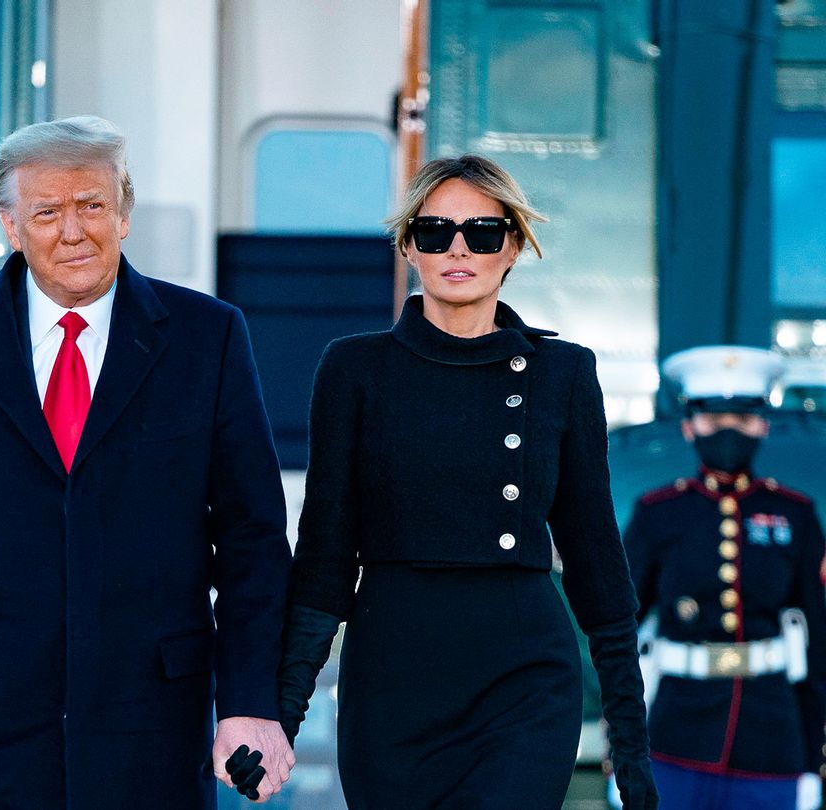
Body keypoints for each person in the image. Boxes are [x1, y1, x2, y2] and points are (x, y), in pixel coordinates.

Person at [0, 116, 294, 809]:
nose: (72, 232)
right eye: (47, 212)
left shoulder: (209, 337)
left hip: (151, 731)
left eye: (92, 206)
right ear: (12, 226)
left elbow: (253, 537)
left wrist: (251, 702)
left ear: (125, 213)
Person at [270, 155, 658, 808]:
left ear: (512, 246)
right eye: (434, 232)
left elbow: (596, 558)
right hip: (395, 673)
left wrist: (630, 738)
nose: (458, 248)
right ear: (408, 247)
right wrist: (281, 718)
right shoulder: (354, 369)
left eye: (481, 232)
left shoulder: (560, 373)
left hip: (522, 674)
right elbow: (325, 554)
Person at [624, 346, 826, 809]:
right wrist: (624, 745)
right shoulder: (660, 514)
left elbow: (819, 643)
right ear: (689, 427)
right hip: (675, 736)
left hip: (771, 738)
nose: (729, 430)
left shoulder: (793, 514)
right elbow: (620, 630)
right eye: (716, 420)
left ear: (762, 426)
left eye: (742, 417)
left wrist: (813, 758)